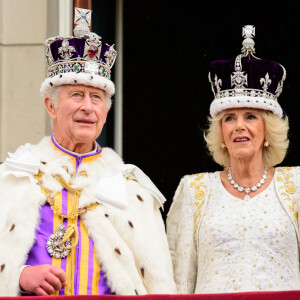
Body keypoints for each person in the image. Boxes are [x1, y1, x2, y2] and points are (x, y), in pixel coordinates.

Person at [0, 7, 176, 296]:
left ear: (105, 113)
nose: (88, 107)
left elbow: (158, 284)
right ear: (51, 106)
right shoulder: (12, 177)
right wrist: (19, 276)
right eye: (76, 95)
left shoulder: (133, 190)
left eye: (96, 97)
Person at [167, 25, 300, 293]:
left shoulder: (297, 186)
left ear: (267, 130)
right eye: (229, 118)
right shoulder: (194, 191)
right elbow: (179, 284)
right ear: (221, 133)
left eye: (250, 116)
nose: (239, 125)